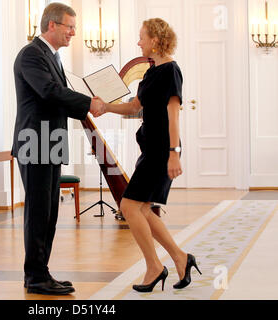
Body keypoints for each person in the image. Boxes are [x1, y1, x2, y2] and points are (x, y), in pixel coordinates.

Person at [93, 18, 202, 292]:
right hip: (150, 149)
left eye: (142, 37)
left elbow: (173, 115)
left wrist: (174, 153)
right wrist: (106, 107)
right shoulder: (150, 73)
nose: (138, 42)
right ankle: (180, 257)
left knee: (130, 207)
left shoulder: (171, 71)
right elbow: (134, 107)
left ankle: (154, 267)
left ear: (155, 39)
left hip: (162, 149)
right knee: (141, 208)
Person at [11, 3, 105, 295]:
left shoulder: (51, 56)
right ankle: (35, 276)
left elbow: (57, 98)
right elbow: (49, 92)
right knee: (39, 211)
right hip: (34, 143)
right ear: (51, 25)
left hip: (48, 144)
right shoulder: (31, 55)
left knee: (49, 210)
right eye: (69, 27)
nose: (73, 33)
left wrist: (87, 108)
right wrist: (89, 103)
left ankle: (41, 272)